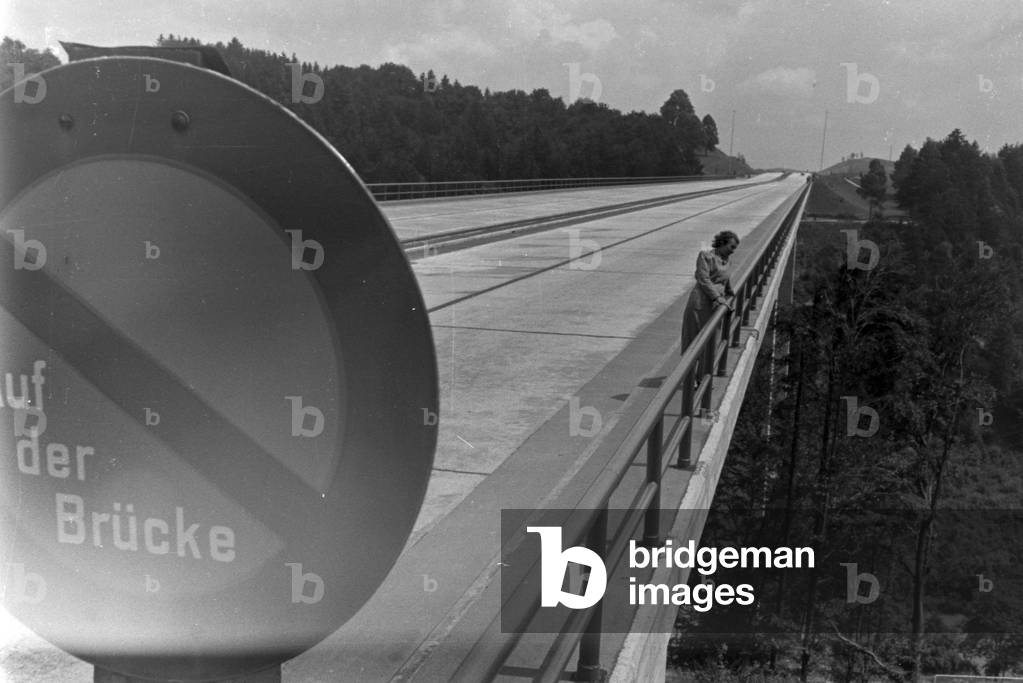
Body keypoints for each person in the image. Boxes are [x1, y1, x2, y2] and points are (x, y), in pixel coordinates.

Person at [680, 231, 739, 373]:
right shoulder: (706, 257)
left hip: (716, 306)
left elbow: (725, 279)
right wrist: (717, 297)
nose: (733, 251)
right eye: (731, 247)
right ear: (722, 243)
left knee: (711, 343)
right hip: (700, 302)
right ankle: (690, 376)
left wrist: (730, 291)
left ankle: (702, 377)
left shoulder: (728, 261)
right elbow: (703, 279)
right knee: (693, 341)